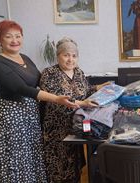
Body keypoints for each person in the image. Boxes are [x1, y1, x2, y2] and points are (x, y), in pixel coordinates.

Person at [0, 20, 78, 183]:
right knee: (16, 158)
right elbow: (24, 89)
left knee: (33, 155)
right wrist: (57, 99)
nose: (15, 40)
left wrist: (63, 83)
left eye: (18, 36)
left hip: (31, 114)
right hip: (12, 116)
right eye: (8, 36)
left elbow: (40, 80)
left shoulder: (25, 58)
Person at [39, 37, 109, 183]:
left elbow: (86, 90)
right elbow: (59, 100)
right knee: (59, 168)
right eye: (66, 55)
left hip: (75, 127)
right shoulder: (49, 73)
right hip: (56, 130)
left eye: (74, 55)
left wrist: (99, 87)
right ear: (58, 56)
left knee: (74, 165)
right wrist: (83, 103)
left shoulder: (78, 72)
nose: (70, 59)